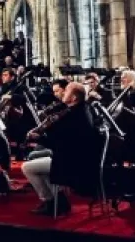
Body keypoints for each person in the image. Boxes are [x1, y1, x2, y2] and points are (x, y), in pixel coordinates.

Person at [21, 82, 101, 216]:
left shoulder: (74, 117)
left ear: (74, 98)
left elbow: (58, 142)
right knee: (40, 161)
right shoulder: (81, 110)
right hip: (71, 156)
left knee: (27, 167)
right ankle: (59, 201)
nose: (63, 93)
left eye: (67, 91)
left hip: (71, 163)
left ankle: (49, 201)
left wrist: (38, 138)